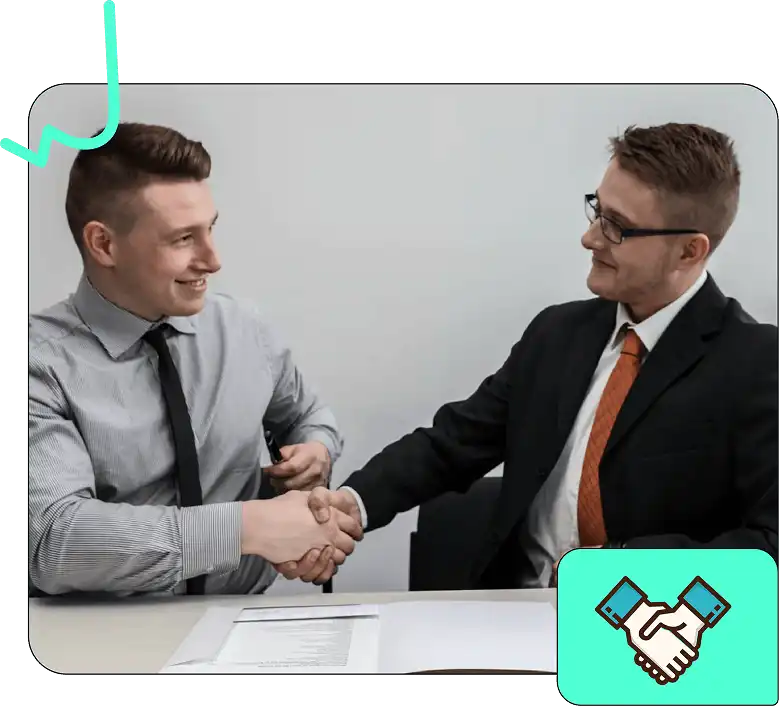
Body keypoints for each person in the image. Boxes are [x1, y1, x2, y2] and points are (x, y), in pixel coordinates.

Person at [277, 122, 778, 589]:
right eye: (596, 211)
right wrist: (351, 505)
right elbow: (452, 443)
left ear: (690, 251)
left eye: (617, 228)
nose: (590, 237)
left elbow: (767, 548)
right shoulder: (558, 333)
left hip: (648, 634)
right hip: (512, 613)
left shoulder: (757, 365)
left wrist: (613, 571)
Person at [28, 122, 361, 597]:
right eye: (183, 238)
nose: (213, 259)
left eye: (211, 229)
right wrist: (247, 527)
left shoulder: (244, 328)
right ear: (104, 244)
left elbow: (307, 416)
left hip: (243, 628)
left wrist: (314, 452)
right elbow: (54, 543)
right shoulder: (38, 366)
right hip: (102, 650)